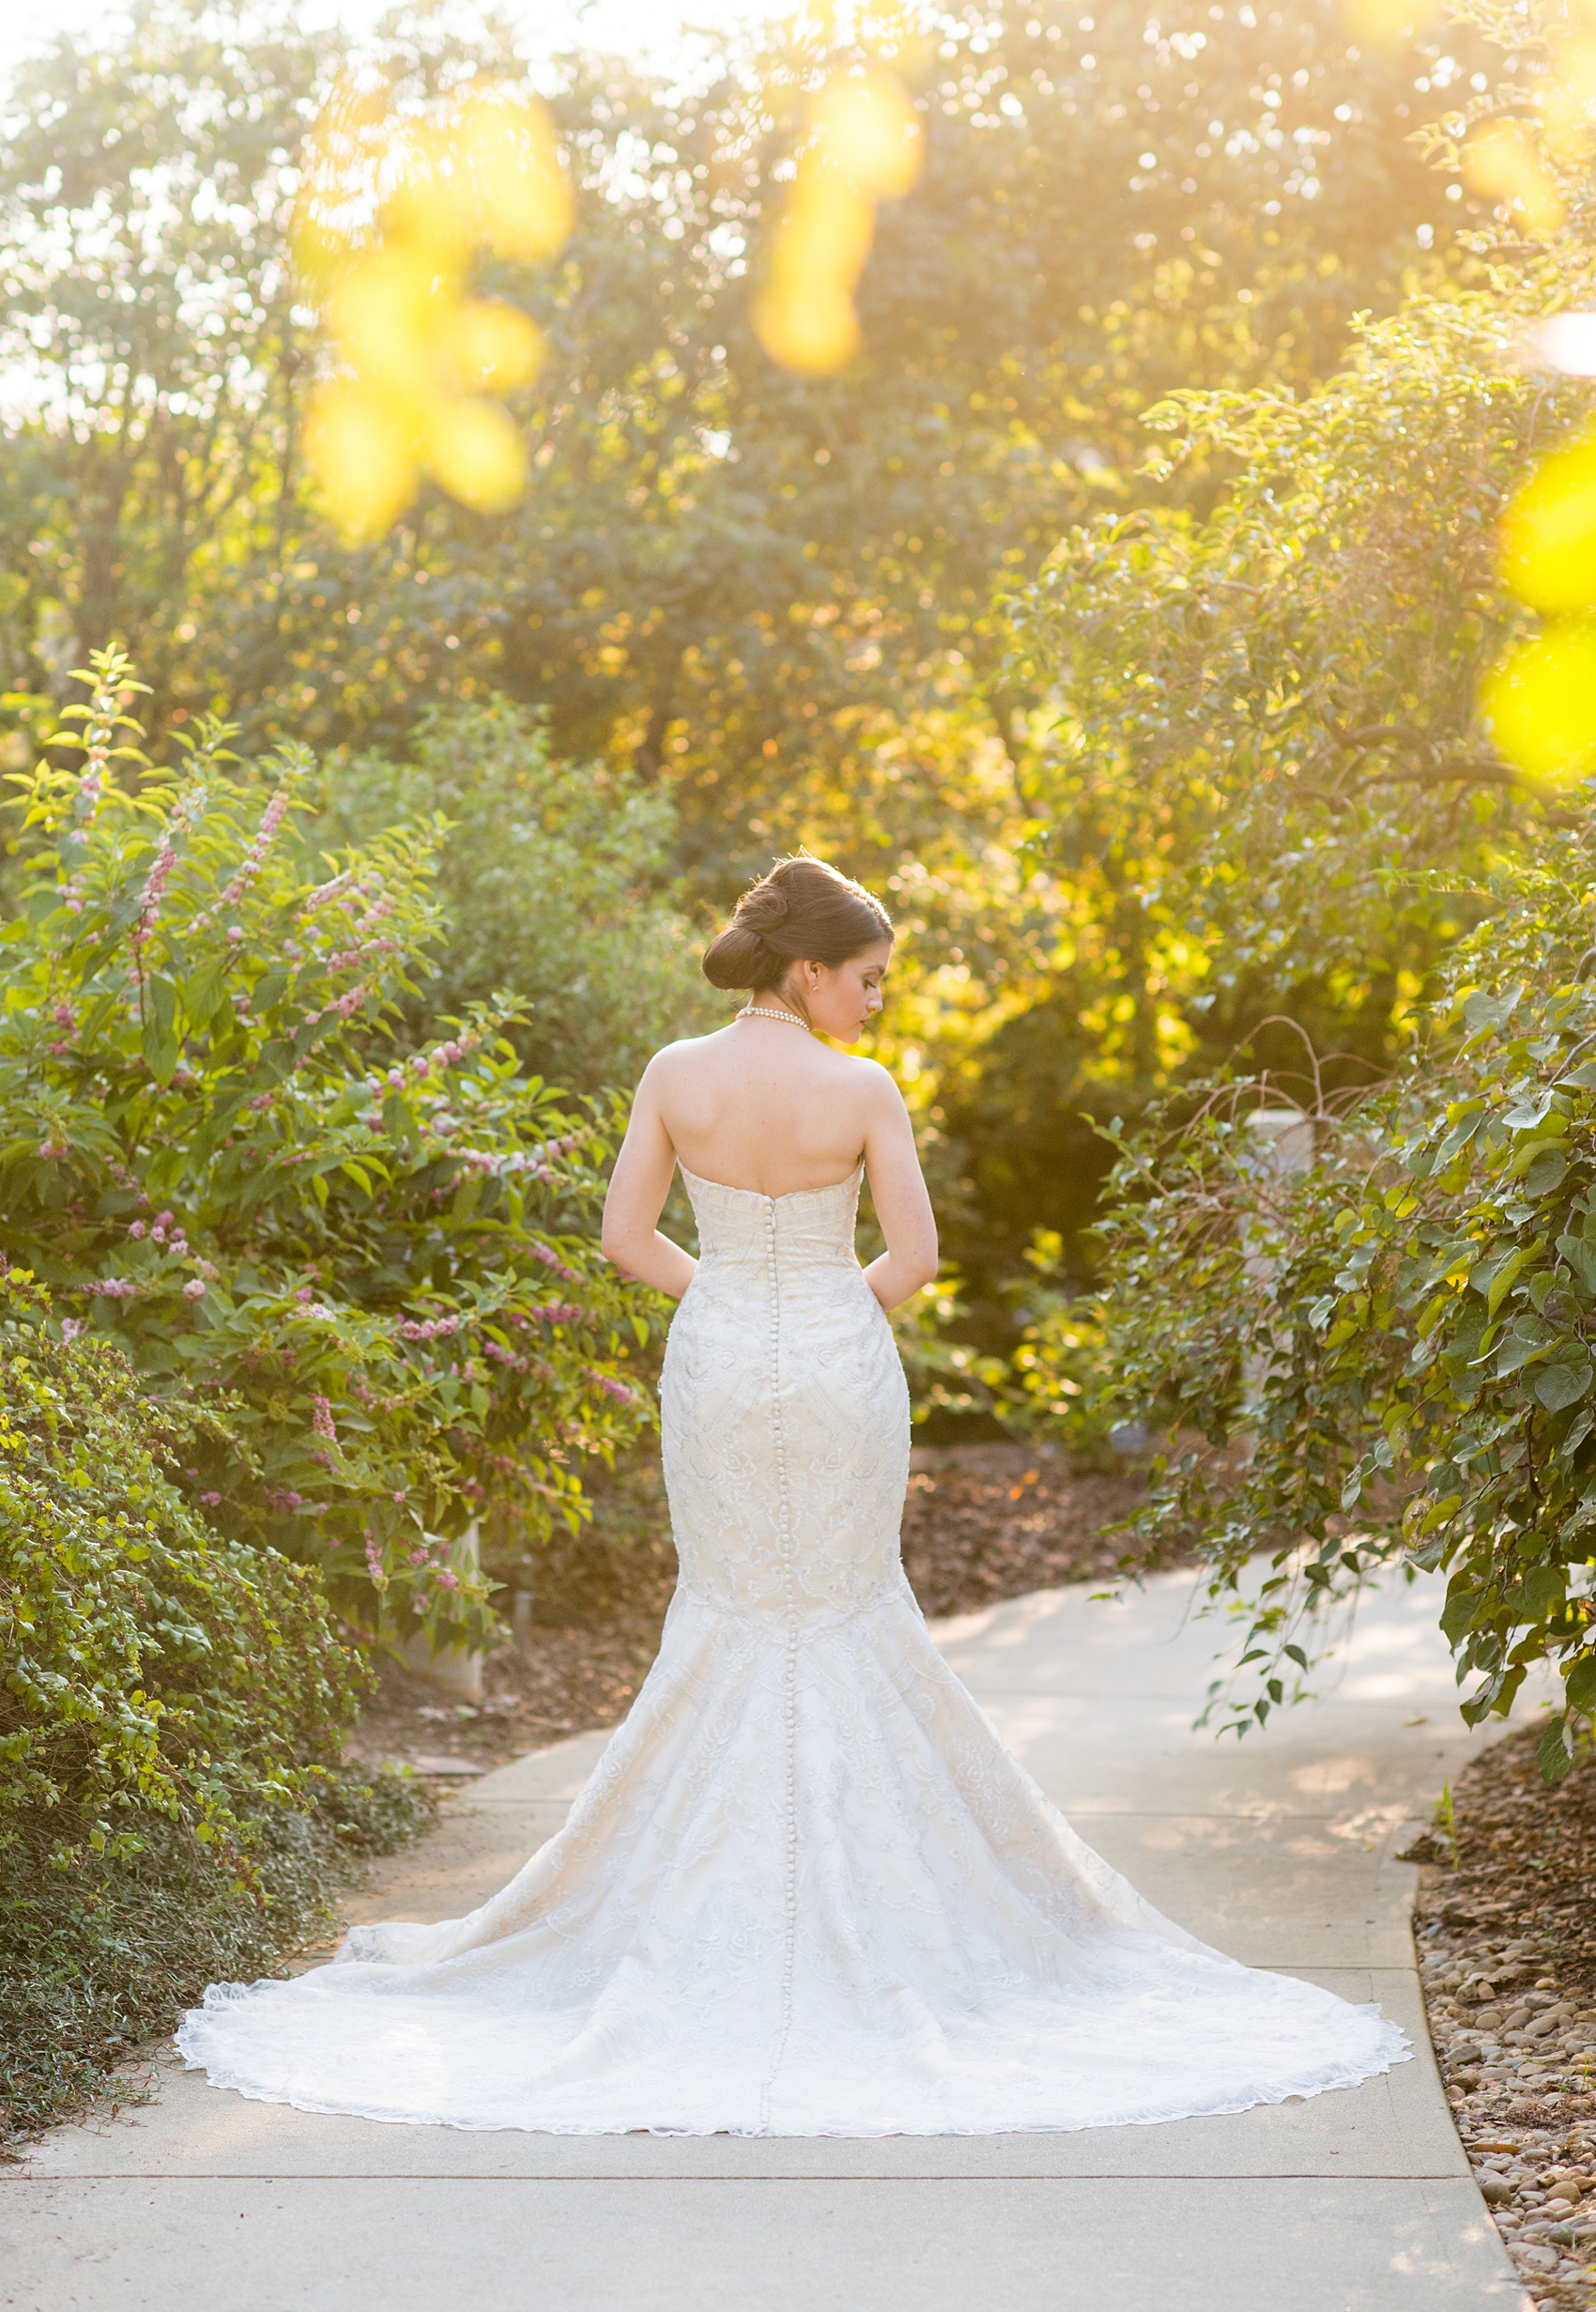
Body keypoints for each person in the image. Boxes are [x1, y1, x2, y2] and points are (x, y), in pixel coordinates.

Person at [176, 855, 1407, 2135]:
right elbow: (916, 1261)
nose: (877, 1003)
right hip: (837, 1370)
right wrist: (819, 1313)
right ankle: (885, 1927)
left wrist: (735, 1304)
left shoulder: (673, 1075)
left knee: (729, 1614)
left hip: (714, 1367)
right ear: (808, 969)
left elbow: (624, 1242)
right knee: (845, 1611)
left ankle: (695, 1916)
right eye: (868, 978)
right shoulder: (861, 1090)